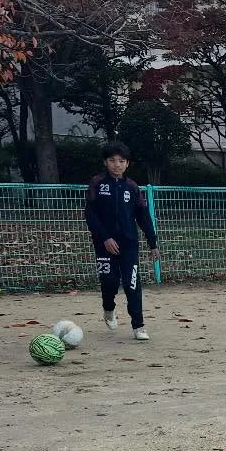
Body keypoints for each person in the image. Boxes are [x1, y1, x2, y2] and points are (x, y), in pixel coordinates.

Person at [85, 141, 158, 341]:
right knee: (109, 283)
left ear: (127, 164)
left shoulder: (132, 187)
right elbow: (91, 215)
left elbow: (143, 216)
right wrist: (105, 238)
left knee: (131, 284)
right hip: (104, 245)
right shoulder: (97, 184)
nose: (117, 164)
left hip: (128, 244)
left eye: (121, 161)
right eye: (112, 160)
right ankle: (108, 309)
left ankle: (138, 326)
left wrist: (153, 243)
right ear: (105, 162)